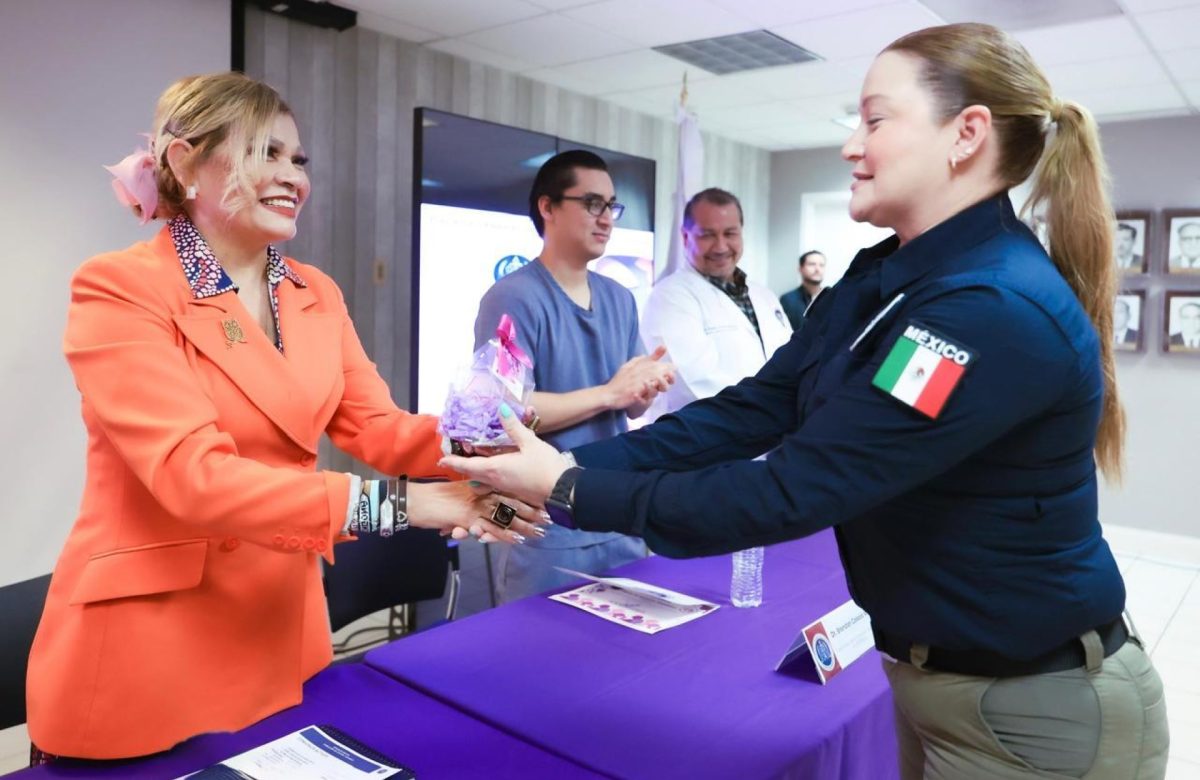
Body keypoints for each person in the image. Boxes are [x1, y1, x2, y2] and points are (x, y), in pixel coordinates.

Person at [444, 23, 1169, 780]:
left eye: (875, 120)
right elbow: (758, 406)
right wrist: (569, 464)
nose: (853, 145)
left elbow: (796, 486)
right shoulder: (887, 275)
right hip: (936, 683)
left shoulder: (987, 308)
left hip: (1028, 707)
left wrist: (566, 488)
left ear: (967, 134)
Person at [26, 72, 541, 763]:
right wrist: (408, 506)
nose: (290, 175)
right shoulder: (121, 287)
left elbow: (378, 429)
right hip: (148, 646)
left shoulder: (314, 294)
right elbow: (194, 478)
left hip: (277, 629)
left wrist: (483, 441)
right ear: (183, 163)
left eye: (297, 160)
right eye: (263, 153)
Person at [472, 150, 674, 603]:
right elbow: (501, 413)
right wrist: (608, 394)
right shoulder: (513, 297)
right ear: (547, 207)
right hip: (544, 524)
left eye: (612, 206)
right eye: (592, 204)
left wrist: (646, 385)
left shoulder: (619, 297)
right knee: (543, 661)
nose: (606, 219)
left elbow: (632, 404)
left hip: (615, 511)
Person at [640, 188, 791, 416]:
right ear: (685, 237)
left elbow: (790, 359)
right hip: (708, 439)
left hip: (772, 434)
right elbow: (694, 384)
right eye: (707, 235)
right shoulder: (670, 296)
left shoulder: (764, 295)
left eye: (730, 233)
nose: (720, 247)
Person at [779, 249, 827, 328]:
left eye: (821, 265)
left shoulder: (832, 298)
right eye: (812, 264)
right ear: (800, 269)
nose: (817, 269)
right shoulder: (787, 300)